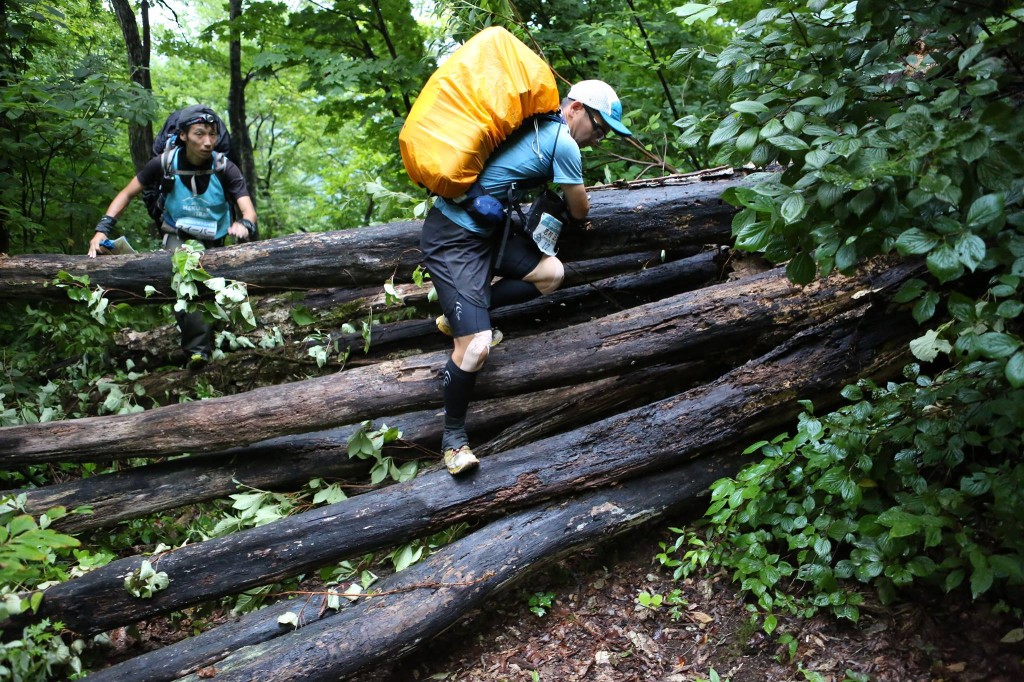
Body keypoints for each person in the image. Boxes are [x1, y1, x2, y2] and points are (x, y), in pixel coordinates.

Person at [421, 79, 633, 476]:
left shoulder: (539, 127)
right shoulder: (563, 142)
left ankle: (461, 314)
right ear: (575, 109)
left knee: (551, 273)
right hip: (454, 238)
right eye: (599, 127)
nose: (598, 138)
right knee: (477, 346)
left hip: (489, 234)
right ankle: (453, 441)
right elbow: (581, 209)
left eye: (604, 133)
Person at [87, 108, 257, 368]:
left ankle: (212, 332)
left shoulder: (225, 167)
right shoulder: (165, 163)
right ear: (183, 136)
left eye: (212, 135)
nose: (207, 142)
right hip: (177, 233)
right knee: (186, 274)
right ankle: (198, 352)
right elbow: (126, 194)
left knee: (209, 288)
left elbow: (248, 211)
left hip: (214, 237)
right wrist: (102, 230)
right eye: (199, 134)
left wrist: (244, 224)